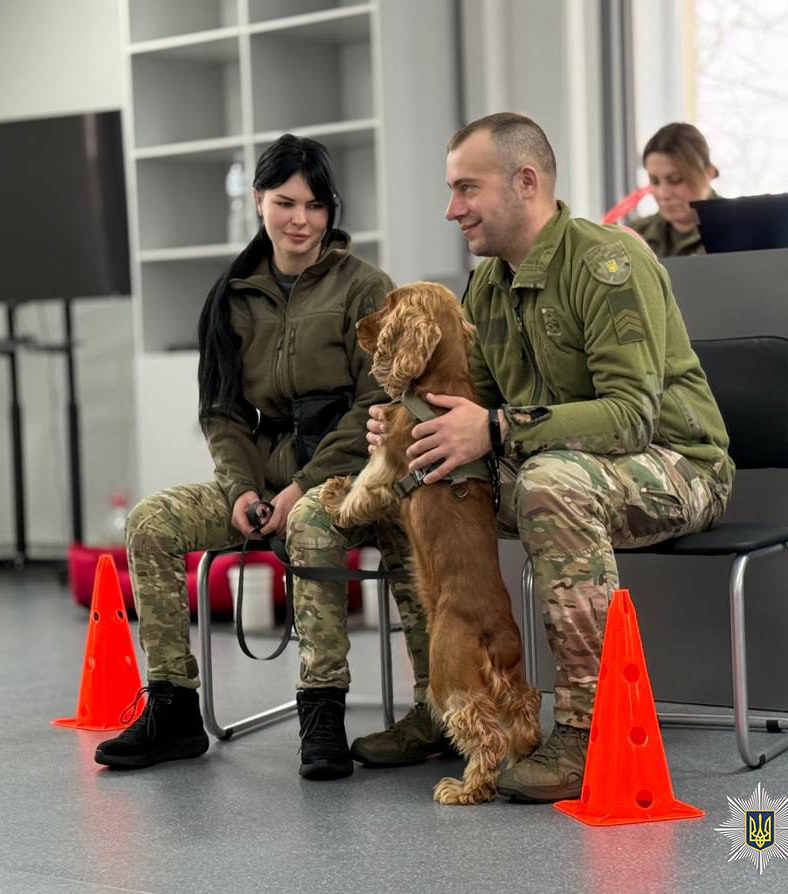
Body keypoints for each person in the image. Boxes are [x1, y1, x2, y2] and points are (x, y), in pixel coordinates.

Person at [367, 113, 734, 802]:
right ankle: (450, 700)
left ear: (525, 182)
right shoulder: (487, 287)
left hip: (678, 465)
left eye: (466, 189)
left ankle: (588, 729)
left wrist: (497, 430)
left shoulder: (607, 265)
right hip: (558, 461)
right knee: (416, 478)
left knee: (547, 483)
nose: (452, 210)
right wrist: (406, 434)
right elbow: (469, 409)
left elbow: (630, 417)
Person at [94, 135, 437, 781]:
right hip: (258, 480)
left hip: (350, 477)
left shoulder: (367, 288)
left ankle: (322, 711)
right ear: (258, 201)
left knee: (310, 519)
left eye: (315, 204)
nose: (301, 219)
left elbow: (374, 403)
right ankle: (171, 708)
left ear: (332, 210)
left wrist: (299, 488)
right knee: (151, 521)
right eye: (285, 202)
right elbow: (221, 413)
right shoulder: (229, 296)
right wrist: (240, 493)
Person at [630, 122, 720, 257]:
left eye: (676, 179)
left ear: (709, 173)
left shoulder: (739, 231)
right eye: (654, 181)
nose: (663, 194)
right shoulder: (635, 237)